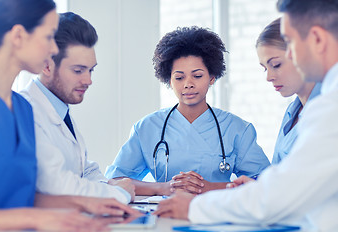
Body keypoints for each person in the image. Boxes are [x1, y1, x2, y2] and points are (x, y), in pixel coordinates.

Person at [155, 0, 338, 232]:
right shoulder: (308, 108)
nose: (290, 54)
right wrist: (260, 190)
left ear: (317, 39)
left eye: (290, 44)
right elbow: (291, 186)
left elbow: (278, 197)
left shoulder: (330, 108)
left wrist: (194, 207)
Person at [0, 0, 137, 232]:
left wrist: (85, 204)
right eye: (49, 36)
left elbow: (25, 195)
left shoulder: (22, 108)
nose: (53, 49)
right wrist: (33, 218)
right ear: (19, 36)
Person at [105, 26, 270, 196]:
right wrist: (164, 188)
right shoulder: (147, 127)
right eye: (179, 77)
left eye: (197, 76)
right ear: (169, 79)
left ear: (212, 77)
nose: (188, 84)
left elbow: (266, 183)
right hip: (164, 214)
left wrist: (208, 187)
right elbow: (114, 180)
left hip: (218, 214)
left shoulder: (237, 129)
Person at [19, 12, 135, 204]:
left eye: (91, 70)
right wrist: (119, 194)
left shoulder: (59, 109)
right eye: (78, 70)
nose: (88, 80)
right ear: (47, 66)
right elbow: (55, 185)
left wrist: (110, 187)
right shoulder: (27, 111)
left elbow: (85, 169)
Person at [227, 18, 321, 188]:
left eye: (276, 65)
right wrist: (256, 187)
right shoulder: (292, 112)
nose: (269, 77)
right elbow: (282, 179)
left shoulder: (327, 109)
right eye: (265, 68)